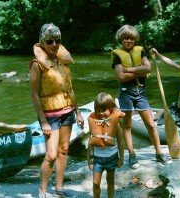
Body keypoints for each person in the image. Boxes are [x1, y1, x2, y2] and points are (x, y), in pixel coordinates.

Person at [29, 23, 84, 198]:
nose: (54, 44)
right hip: (50, 116)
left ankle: (59, 189)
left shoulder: (63, 61)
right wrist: (43, 121)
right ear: (42, 42)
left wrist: (78, 112)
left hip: (68, 111)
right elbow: (35, 96)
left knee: (64, 150)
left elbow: (70, 88)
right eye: (50, 41)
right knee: (51, 154)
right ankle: (42, 191)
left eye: (57, 41)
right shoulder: (37, 65)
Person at [111, 24, 171, 169]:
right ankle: (132, 155)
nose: (129, 41)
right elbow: (120, 76)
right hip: (126, 92)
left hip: (140, 92)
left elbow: (148, 68)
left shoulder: (140, 50)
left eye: (131, 38)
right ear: (121, 39)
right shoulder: (117, 55)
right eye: (126, 38)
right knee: (128, 125)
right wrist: (140, 71)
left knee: (151, 124)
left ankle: (159, 153)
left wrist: (129, 69)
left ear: (135, 39)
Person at [86, 92, 125, 198]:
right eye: (98, 111)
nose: (100, 113)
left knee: (110, 181)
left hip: (112, 158)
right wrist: (88, 157)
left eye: (103, 110)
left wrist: (121, 158)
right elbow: (90, 140)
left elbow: (121, 142)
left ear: (111, 109)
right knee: (95, 182)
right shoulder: (94, 122)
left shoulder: (115, 124)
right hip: (98, 159)